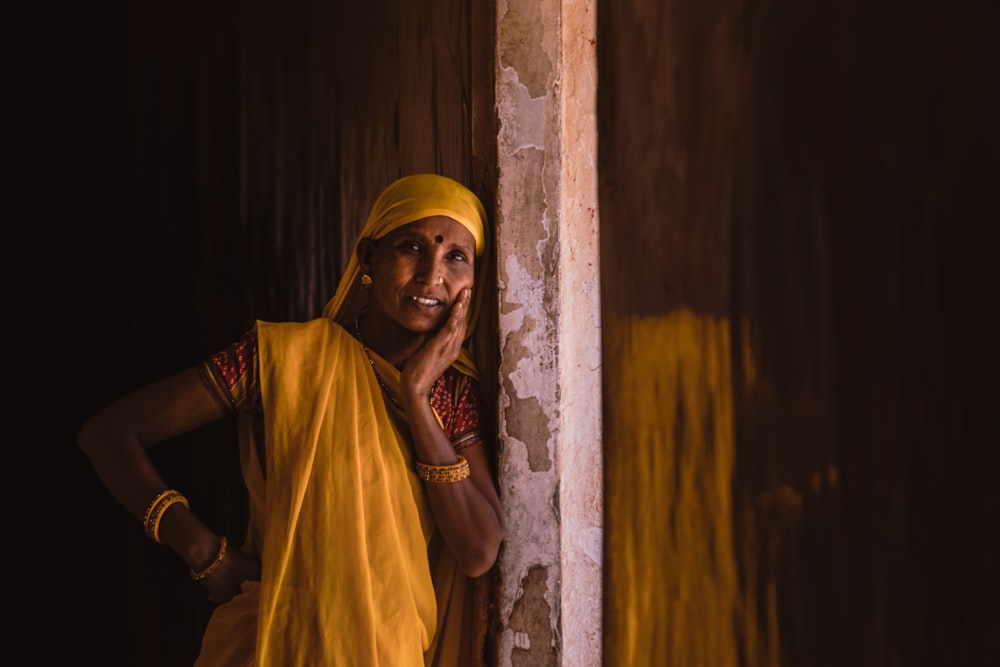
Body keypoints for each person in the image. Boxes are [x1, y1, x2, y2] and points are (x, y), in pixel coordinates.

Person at [77, 173, 506, 666]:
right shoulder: (283, 359)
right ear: (368, 258)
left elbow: (477, 552)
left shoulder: (450, 393)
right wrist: (202, 551)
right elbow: (109, 435)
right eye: (411, 247)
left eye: (456, 257)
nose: (432, 277)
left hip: (390, 650)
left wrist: (416, 393)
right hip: (273, 642)